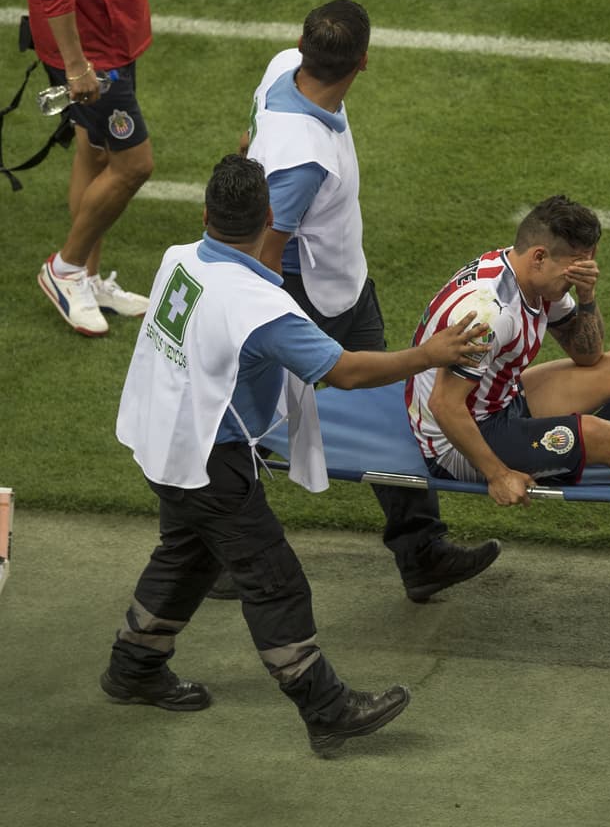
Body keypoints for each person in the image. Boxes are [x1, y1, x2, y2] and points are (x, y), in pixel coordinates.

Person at [103, 155, 490, 754]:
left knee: (188, 555)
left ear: (206, 214)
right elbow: (347, 370)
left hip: (161, 438)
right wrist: (431, 353)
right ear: (270, 220)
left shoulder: (180, 258)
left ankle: (133, 666)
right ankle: (326, 707)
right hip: (209, 459)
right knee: (274, 580)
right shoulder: (259, 308)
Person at [238, 0, 497, 603]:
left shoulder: (283, 68)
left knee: (393, 413)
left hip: (345, 283)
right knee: (249, 420)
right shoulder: (299, 163)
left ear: (303, 50)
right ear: (363, 62)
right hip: (307, 295)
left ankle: (421, 550)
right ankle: (219, 553)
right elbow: (264, 251)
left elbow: (249, 139)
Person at [409, 195, 610, 505]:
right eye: (575, 268)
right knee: (597, 435)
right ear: (539, 257)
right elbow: (444, 403)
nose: (579, 275)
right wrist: (498, 475)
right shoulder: (491, 313)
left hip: (498, 400)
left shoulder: (531, 276)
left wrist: (587, 296)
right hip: (455, 442)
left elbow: (588, 356)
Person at [25, 0, 154, 337]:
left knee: (96, 151)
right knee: (134, 165)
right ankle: (65, 268)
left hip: (110, 32)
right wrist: (77, 63)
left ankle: (87, 277)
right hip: (91, 50)